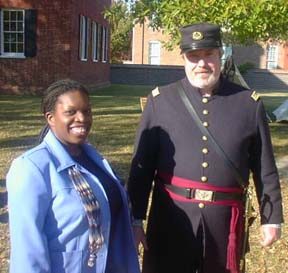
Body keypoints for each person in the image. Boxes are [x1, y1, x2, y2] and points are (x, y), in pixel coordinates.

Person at [127, 23, 283, 273]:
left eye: (208, 54)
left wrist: (271, 218)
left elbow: (265, 167)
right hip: (171, 219)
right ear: (183, 58)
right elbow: (140, 169)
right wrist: (134, 220)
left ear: (220, 55)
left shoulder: (248, 104)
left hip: (223, 224)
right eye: (194, 56)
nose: (202, 64)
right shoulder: (160, 101)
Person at [7, 79, 140, 273]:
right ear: (51, 118)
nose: (82, 118)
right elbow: (28, 248)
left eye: (86, 111)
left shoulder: (95, 160)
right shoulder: (32, 168)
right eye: (71, 112)